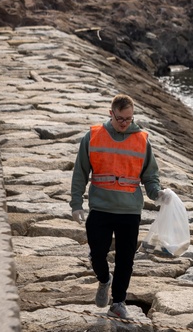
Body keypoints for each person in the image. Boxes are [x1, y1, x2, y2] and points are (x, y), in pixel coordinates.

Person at [70, 94, 163, 319]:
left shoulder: (142, 139)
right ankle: (104, 280)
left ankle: (118, 302)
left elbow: (150, 176)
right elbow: (80, 172)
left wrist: (157, 194)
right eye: (121, 118)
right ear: (111, 114)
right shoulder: (92, 137)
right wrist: (76, 204)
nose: (125, 123)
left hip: (129, 211)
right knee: (97, 255)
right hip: (100, 209)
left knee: (125, 259)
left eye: (129, 119)